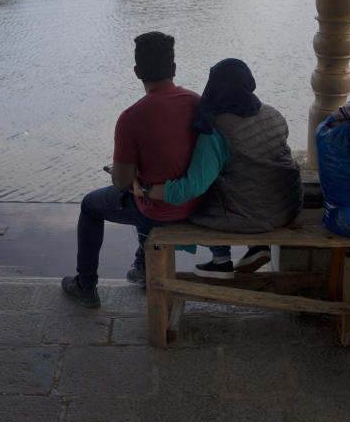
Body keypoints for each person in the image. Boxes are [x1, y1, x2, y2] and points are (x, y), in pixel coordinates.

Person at [61, 31, 202, 307]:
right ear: (173, 68)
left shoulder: (131, 117)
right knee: (143, 185)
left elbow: (121, 181)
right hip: (195, 203)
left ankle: (85, 286)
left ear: (137, 72)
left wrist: (125, 175)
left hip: (159, 210)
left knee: (91, 205)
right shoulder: (196, 102)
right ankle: (142, 266)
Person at [133, 59, 304, 278]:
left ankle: (221, 261)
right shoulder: (273, 114)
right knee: (244, 172)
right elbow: (262, 164)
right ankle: (258, 248)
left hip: (254, 217)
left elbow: (190, 189)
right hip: (288, 207)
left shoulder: (217, 130)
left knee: (196, 199)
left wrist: (145, 191)